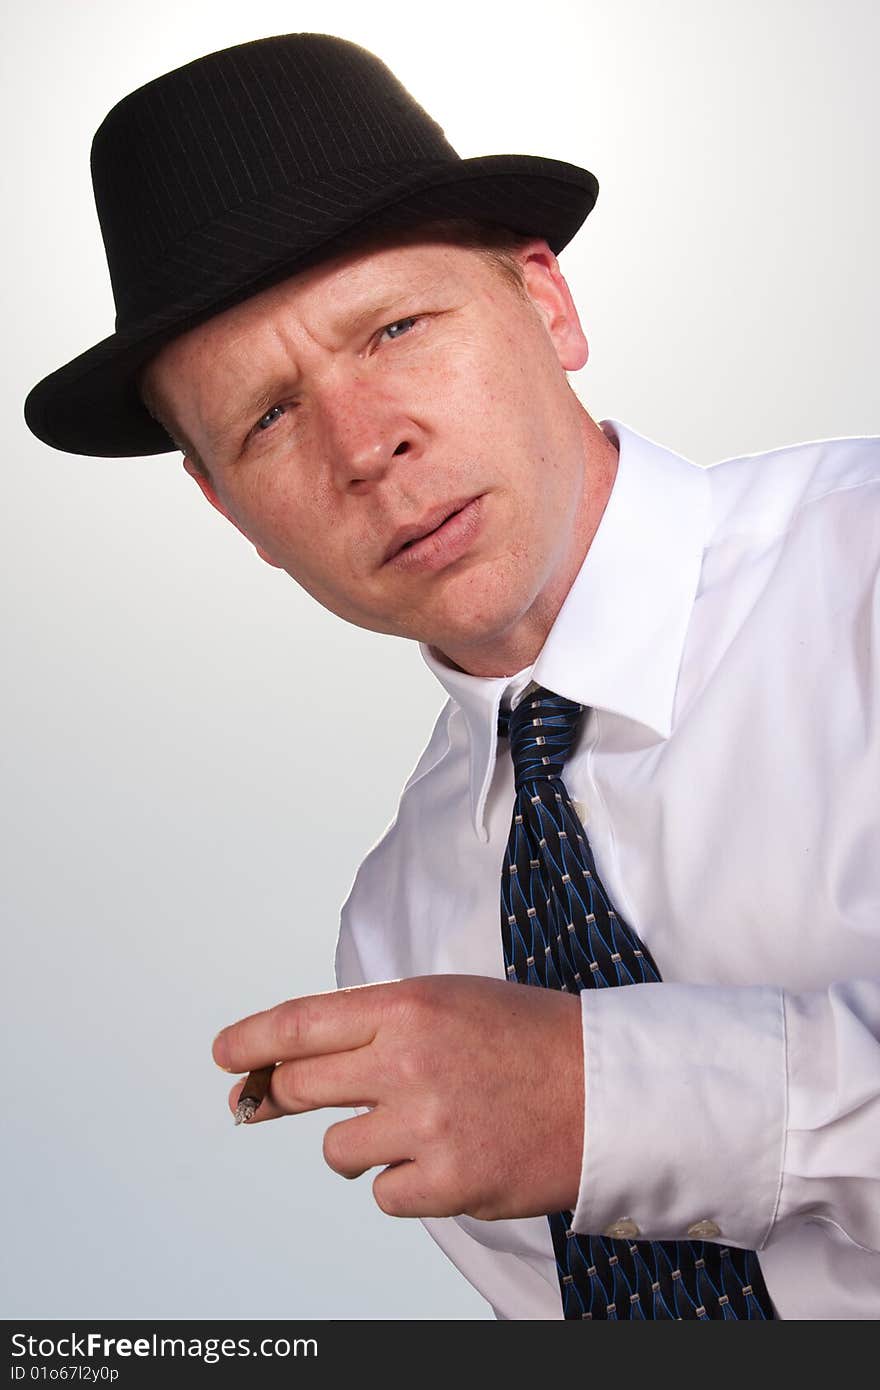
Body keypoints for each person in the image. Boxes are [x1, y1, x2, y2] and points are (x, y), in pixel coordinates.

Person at [23, 32, 879, 1322]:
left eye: (396, 328)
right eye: (264, 417)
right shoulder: (402, 936)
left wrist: (611, 1097)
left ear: (548, 303)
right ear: (228, 514)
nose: (364, 448)